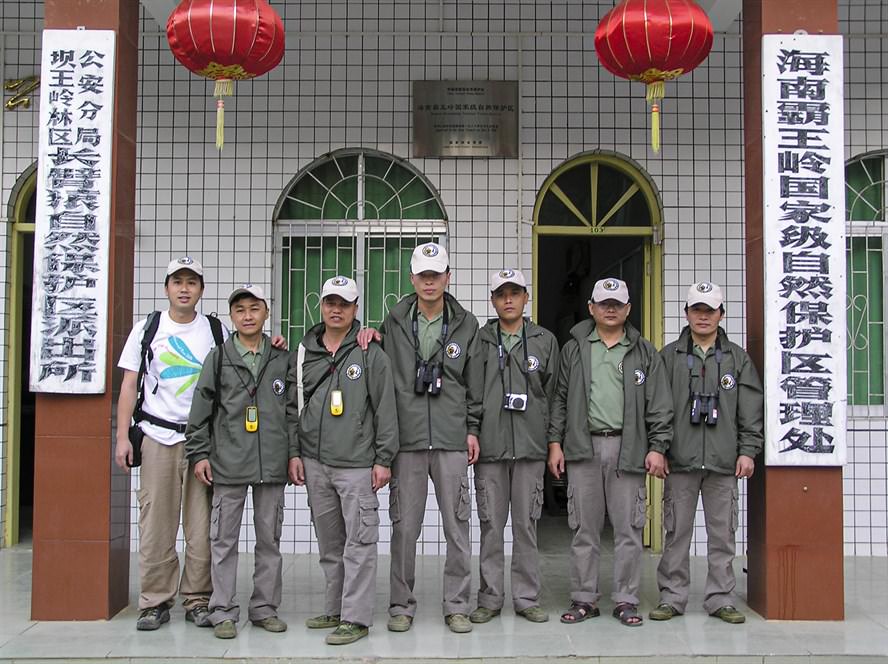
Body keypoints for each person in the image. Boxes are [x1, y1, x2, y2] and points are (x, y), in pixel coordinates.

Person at [359, 242, 482, 634]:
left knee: (457, 526)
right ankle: (401, 603)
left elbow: (474, 385)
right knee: (404, 528)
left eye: (437, 274)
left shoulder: (467, 323)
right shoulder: (393, 321)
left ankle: (457, 604)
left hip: (449, 439)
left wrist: (472, 429)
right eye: (423, 275)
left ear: (448, 277)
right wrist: (365, 334)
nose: (430, 282)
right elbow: (373, 363)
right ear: (412, 279)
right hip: (407, 441)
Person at [547, 277, 672, 627]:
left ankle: (626, 599)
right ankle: (584, 597)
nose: (611, 309)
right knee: (584, 528)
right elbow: (559, 398)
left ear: (628, 308)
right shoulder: (574, 348)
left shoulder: (643, 351)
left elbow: (659, 404)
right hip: (582, 446)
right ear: (592, 308)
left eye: (617, 303)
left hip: (628, 448)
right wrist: (555, 443)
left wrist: (658, 447)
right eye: (604, 303)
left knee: (628, 529)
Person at [115, 256, 225, 631]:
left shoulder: (214, 330)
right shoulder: (147, 328)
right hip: (157, 437)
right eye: (177, 282)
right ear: (166, 288)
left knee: (200, 526)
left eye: (191, 282)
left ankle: (197, 598)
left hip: (201, 442)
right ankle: (155, 601)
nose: (184, 289)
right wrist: (122, 437)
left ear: (201, 290)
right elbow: (130, 385)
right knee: (156, 523)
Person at [289, 276, 399, 646]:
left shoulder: (370, 353)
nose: (337, 309)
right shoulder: (304, 351)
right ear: (321, 305)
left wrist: (384, 459)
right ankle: (335, 608)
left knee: (360, 543)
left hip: (356, 464)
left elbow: (386, 409)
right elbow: (293, 406)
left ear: (356, 309)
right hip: (316, 463)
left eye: (345, 303)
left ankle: (356, 617)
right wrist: (296, 453)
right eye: (330, 302)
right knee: (330, 544)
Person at [185, 285, 297, 640]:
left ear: (266, 312)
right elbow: (200, 411)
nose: (247, 316)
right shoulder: (218, 358)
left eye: (254, 309)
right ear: (232, 317)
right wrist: (200, 454)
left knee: (269, 541)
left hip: (271, 464)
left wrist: (294, 453)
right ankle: (222, 609)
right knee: (223, 541)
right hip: (228, 463)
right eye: (240, 310)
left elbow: (293, 412)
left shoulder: (282, 358)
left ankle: (264, 608)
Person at [649, 282, 764, 624]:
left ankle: (720, 598)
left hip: (723, 462)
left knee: (722, 535)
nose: (703, 316)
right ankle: (672, 596)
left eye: (709, 310)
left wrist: (748, 451)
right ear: (686, 314)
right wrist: (659, 448)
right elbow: (658, 408)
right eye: (697, 310)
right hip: (680, 462)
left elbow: (750, 410)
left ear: (721, 315)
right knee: (676, 533)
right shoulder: (668, 357)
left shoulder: (737, 358)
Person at [468, 269, 560, 625]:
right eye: (501, 293)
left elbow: (554, 398)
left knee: (526, 526)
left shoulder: (543, 340)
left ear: (526, 298)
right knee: (491, 526)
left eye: (515, 293)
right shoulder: (481, 340)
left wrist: (553, 444)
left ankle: (526, 598)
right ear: (492, 300)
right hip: (490, 449)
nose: (508, 299)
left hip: (531, 447)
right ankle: (489, 598)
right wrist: (472, 432)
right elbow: (471, 393)